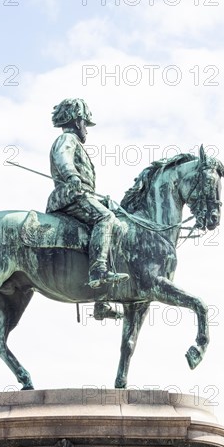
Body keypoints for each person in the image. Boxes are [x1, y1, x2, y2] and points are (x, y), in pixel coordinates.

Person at [46, 98, 128, 320]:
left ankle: (101, 301)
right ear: (78, 121)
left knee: (116, 223)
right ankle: (98, 271)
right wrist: (72, 176)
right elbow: (62, 158)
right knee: (105, 219)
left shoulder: (76, 142)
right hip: (70, 197)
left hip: (82, 196)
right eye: (85, 124)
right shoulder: (67, 139)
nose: (87, 131)